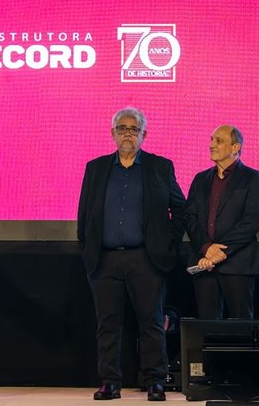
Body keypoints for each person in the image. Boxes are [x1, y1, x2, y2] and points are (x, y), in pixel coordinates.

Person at [77, 107, 186, 402]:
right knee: (108, 324)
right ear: (112, 133)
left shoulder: (160, 167)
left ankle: (155, 381)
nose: (128, 133)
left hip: (146, 259)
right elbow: (85, 215)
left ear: (143, 135)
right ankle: (110, 382)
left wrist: (167, 243)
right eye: (122, 128)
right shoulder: (96, 168)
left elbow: (180, 208)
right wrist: (87, 250)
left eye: (134, 129)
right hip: (105, 260)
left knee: (151, 323)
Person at [185, 124, 259, 319]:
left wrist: (219, 253)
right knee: (207, 325)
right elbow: (189, 217)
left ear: (235, 147)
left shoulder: (253, 178)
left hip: (238, 264)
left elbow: (251, 222)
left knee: (241, 325)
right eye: (212, 140)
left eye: (219, 141)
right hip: (203, 263)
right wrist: (206, 248)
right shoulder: (200, 179)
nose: (212, 145)